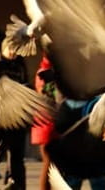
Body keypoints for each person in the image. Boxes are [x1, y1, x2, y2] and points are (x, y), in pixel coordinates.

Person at [0, 40, 30, 189]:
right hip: (2, 116)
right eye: (11, 49)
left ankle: (18, 184)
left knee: (17, 155)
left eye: (16, 49)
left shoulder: (20, 65)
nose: (13, 52)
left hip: (18, 115)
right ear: (3, 49)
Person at [32, 55, 60, 190]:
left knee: (50, 164)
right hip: (47, 124)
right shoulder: (46, 74)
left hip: (44, 124)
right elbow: (50, 97)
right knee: (48, 164)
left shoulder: (42, 72)